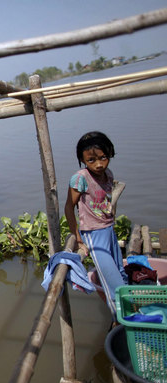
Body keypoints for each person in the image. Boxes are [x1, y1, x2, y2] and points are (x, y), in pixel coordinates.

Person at [64, 131, 127, 316]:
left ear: (110, 154)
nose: (99, 164)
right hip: (93, 234)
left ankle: (125, 316)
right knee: (114, 283)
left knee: (121, 274)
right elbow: (69, 207)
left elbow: (107, 200)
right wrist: (77, 236)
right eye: (91, 160)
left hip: (109, 230)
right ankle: (120, 320)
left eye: (103, 158)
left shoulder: (108, 173)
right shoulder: (80, 178)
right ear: (83, 160)